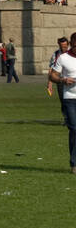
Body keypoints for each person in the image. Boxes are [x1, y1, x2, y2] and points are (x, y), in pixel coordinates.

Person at [49, 32, 76, 173]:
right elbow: (52, 75)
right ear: (72, 44)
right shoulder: (63, 58)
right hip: (70, 98)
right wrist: (63, 80)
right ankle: (74, 163)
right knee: (74, 129)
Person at [47, 36, 71, 122]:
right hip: (60, 81)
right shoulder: (56, 54)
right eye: (61, 46)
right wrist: (50, 83)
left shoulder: (72, 53)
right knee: (64, 100)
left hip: (72, 80)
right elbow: (51, 70)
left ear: (68, 45)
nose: (63, 48)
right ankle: (67, 119)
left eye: (65, 46)